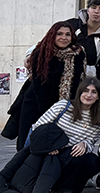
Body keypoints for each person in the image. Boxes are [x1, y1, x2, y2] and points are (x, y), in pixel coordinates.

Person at [0, 78, 100, 193]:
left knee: (93, 161)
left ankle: (65, 187)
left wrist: (84, 144)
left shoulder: (98, 121)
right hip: (49, 153)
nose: (89, 95)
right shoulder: (63, 106)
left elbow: (91, 141)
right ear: (79, 92)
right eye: (85, 91)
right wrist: (49, 146)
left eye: (94, 92)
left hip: (70, 154)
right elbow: (38, 127)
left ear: (98, 96)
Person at [12, 21, 86, 150]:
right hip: (36, 104)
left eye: (68, 34)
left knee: (59, 145)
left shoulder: (78, 53)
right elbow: (39, 87)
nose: (64, 38)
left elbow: (78, 82)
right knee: (30, 144)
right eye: (59, 34)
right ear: (52, 35)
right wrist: (50, 114)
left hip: (65, 106)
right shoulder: (41, 53)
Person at [65, 0, 100, 82]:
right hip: (64, 76)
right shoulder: (71, 25)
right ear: (88, 10)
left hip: (90, 82)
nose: (96, 11)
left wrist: (92, 74)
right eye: (93, 7)